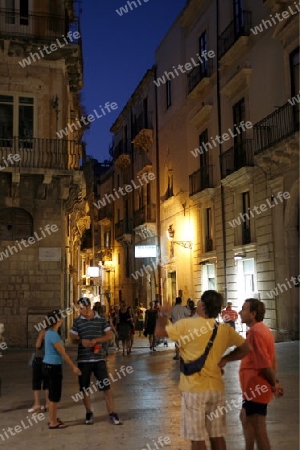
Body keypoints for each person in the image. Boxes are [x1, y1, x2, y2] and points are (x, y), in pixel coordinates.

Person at [155, 290, 251, 450]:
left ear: (203, 305)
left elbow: (159, 333)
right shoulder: (224, 329)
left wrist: (164, 313)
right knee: (217, 435)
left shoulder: (187, 325)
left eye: (200, 301)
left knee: (197, 438)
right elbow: (246, 348)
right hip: (216, 389)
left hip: (194, 390)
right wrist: (225, 359)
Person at [236, 298, 281, 450]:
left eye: (244, 309)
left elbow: (265, 364)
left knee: (259, 431)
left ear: (253, 313)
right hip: (252, 389)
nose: (240, 312)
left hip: (257, 388)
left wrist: (274, 384)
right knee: (245, 419)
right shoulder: (261, 330)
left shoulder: (256, 332)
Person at [70, 298, 122, 425]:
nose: (80, 311)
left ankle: (112, 413)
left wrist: (96, 341)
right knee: (84, 387)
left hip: (98, 359)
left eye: (82, 308)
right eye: (79, 308)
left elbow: (109, 336)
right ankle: (89, 412)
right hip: (83, 359)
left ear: (89, 307)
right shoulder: (77, 321)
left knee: (106, 387)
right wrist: (80, 341)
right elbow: (72, 338)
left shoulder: (101, 320)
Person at [43, 309, 81, 429]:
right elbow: (63, 354)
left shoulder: (49, 332)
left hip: (47, 365)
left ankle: (52, 418)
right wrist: (73, 367)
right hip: (53, 367)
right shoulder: (53, 335)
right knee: (55, 395)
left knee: (51, 394)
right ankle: (53, 422)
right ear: (58, 320)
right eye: (61, 318)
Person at [28, 328, 49, 413]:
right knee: (47, 382)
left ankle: (37, 404)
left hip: (39, 359)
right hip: (48, 360)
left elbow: (37, 345)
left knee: (37, 382)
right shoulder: (54, 333)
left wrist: (40, 336)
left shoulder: (43, 332)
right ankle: (48, 404)